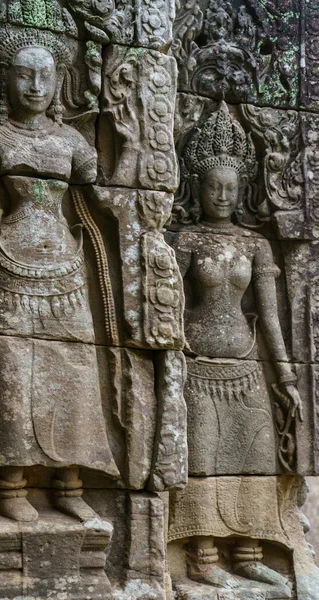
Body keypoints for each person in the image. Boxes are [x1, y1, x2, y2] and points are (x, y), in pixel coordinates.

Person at [0, 25, 119, 523]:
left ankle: (69, 483)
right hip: (7, 271)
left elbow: (106, 201)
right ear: (4, 80)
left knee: (75, 377)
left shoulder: (71, 141)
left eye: (44, 76)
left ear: (58, 81)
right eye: (23, 75)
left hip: (66, 273)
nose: (34, 86)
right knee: (12, 376)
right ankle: (11, 483)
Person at [168, 103, 302, 590]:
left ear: (241, 190)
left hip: (247, 367)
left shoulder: (254, 245)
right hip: (197, 366)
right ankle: (202, 556)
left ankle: (248, 551)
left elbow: (268, 316)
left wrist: (285, 375)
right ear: (196, 187)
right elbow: (168, 303)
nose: (222, 196)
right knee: (201, 456)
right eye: (212, 186)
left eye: (230, 187)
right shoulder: (186, 240)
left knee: (254, 455)